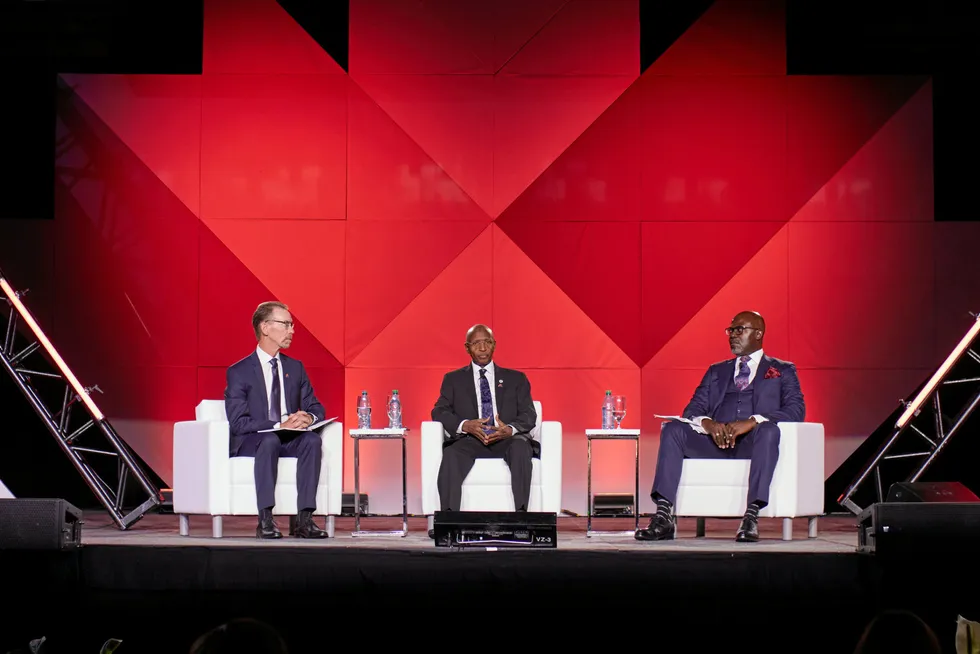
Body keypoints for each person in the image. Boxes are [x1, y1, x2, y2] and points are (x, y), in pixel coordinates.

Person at [635, 310, 805, 543]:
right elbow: (692, 410)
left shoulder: (782, 370)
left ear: (758, 333)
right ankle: (664, 517)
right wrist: (709, 424)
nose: (733, 335)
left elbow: (796, 411)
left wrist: (753, 421)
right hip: (715, 442)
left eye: (739, 330)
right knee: (673, 429)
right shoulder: (717, 370)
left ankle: (751, 517)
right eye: (730, 330)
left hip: (753, 443)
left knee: (769, 430)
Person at [224, 301, 328, 539]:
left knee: (312, 440)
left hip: (288, 437)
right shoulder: (239, 371)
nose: (292, 331)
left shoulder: (296, 367)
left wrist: (307, 417)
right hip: (255, 440)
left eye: (292, 325)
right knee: (270, 440)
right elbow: (239, 423)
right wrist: (277, 425)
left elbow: (316, 406)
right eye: (286, 324)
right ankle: (266, 520)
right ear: (265, 327)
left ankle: (305, 520)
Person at [431, 324, 538, 521]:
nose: (482, 348)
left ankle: (522, 518)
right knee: (451, 454)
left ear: (494, 345)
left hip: (506, 438)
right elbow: (439, 410)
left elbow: (529, 415)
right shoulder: (453, 379)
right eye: (476, 343)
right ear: (467, 347)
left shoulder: (516, 379)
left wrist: (510, 429)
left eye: (487, 342)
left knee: (521, 448)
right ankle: (449, 520)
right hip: (471, 439)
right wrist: (465, 425)